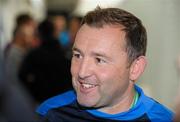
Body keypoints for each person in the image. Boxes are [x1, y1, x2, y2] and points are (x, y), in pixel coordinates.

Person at [36, 7, 174, 121]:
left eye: (99, 60)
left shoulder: (164, 119)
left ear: (135, 68)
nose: (82, 72)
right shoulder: (49, 113)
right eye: (77, 55)